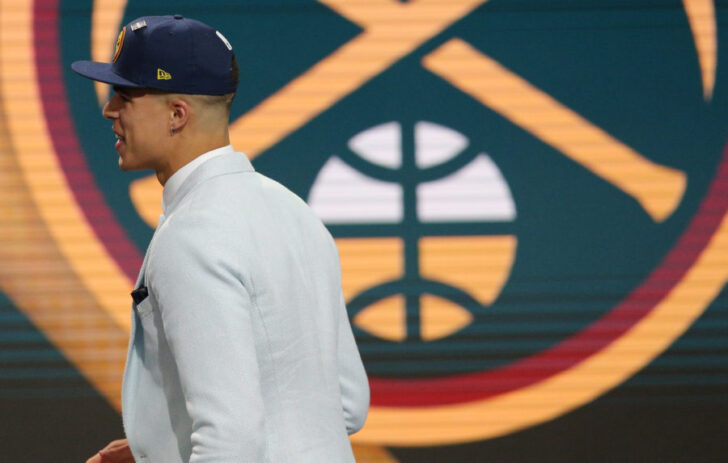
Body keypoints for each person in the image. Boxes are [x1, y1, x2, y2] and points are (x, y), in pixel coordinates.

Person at [71, 15, 369, 463]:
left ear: (177, 115)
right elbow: (345, 404)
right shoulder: (295, 213)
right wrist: (160, 448)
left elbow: (230, 441)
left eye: (126, 95)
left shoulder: (192, 235)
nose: (110, 110)